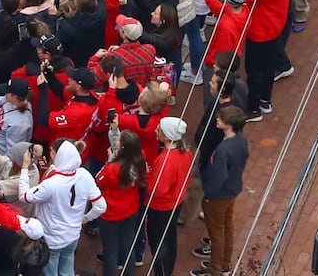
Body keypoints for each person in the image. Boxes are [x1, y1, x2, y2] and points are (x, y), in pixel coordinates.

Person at [18, 141, 105, 276]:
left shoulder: (51, 184)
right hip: (73, 236)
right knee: (67, 271)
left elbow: (24, 196)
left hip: (52, 240)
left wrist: (24, 167)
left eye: (53, 151)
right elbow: (101, 206)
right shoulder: (84, 175)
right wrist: (86, 218)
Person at [191, 105, 247, 276]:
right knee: (227, 226)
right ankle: (224, 263)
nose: (217, 118)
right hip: (232, 190)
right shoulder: (241, 140)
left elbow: (218, 176)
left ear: (228, 124)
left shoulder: (223, 149)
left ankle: (214, 269)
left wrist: (209, 193)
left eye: (221, 118)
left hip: (218, 195)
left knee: (217, 233)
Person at [96, 130, 147, 276]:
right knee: (127, 247)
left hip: (111, 213)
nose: (116, 141)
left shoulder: (113, 168)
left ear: (123, 147)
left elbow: (99, 181)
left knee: (111, 251)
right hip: (131, 209)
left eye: (119, 140)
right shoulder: (140, 158)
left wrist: (109, 160)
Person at [145, 118, 192, 276]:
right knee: (169, 236)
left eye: (159, 130)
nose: (155, 131)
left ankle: (162, 272)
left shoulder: (167, 160)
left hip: (161, 206)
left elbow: (158, 189)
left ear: (167, 137)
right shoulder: (185, 152)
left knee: (158, 241)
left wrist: (146, 176)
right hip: (176, 202)